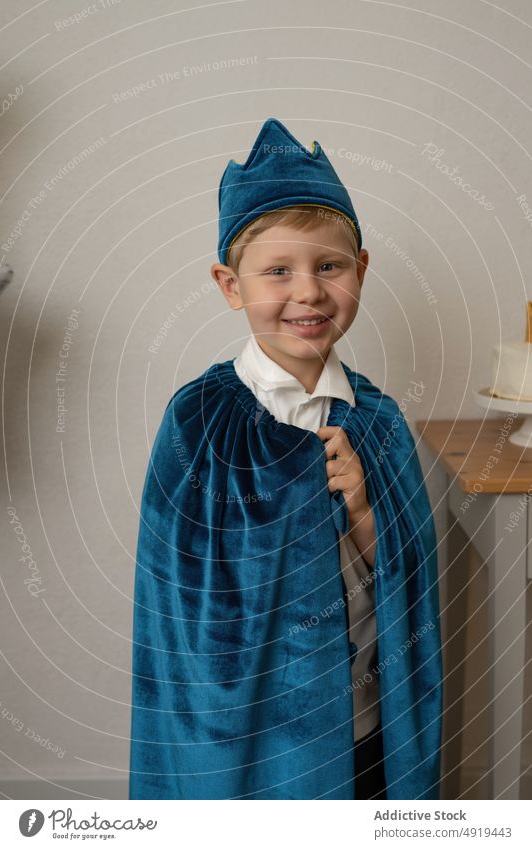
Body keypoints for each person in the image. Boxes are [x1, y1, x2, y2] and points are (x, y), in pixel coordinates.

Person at [129, 117, 443, 800]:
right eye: (278, 271)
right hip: (241, 733)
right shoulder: (198, 420)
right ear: (229, 284)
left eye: (328, 266)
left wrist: (361, 503)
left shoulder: (377, 423)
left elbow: (405, 580)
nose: (307, 291)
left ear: (359, 272)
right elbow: (178, 599)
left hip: (357, 721)